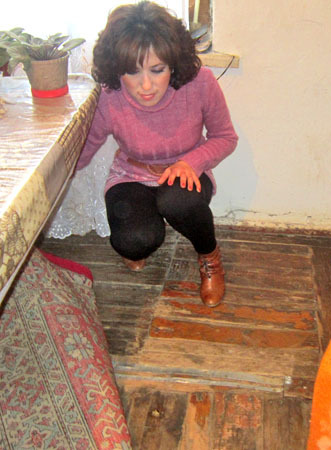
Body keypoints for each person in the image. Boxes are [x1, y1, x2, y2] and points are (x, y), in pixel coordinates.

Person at [76, 0, 238, 307]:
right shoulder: (110, 96)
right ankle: (144, 232)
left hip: (186, 173)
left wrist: (192, 162)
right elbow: (85, 148)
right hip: (131, 173)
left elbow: (225, 137)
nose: (146, 85)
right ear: (117, 68)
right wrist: (51, 172)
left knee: (176, 201)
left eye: (157, 70)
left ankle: (210, 257)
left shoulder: (200, 83)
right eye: (132, 72)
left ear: (173, 63)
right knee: (134, 243)